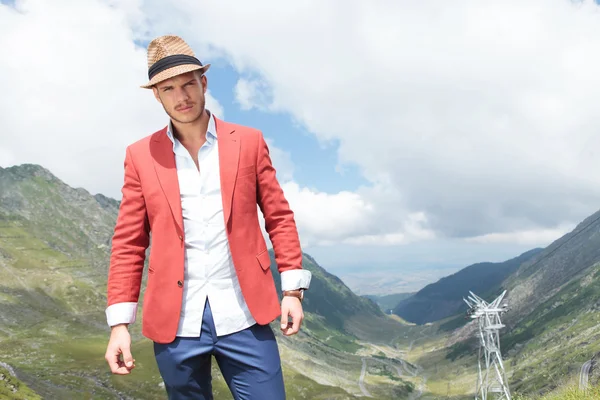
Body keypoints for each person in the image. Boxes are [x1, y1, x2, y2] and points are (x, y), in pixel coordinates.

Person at [103, 34, 312, 400]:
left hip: (245, 314)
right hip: (176, 324)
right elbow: (128, 244)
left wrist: (292, 290)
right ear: (156, 95)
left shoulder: (248, 141)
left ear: (204, 82)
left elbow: (279, 216)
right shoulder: (140, 156)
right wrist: (119, 324)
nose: (181, 97)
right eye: (168, 89)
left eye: (188, 84)